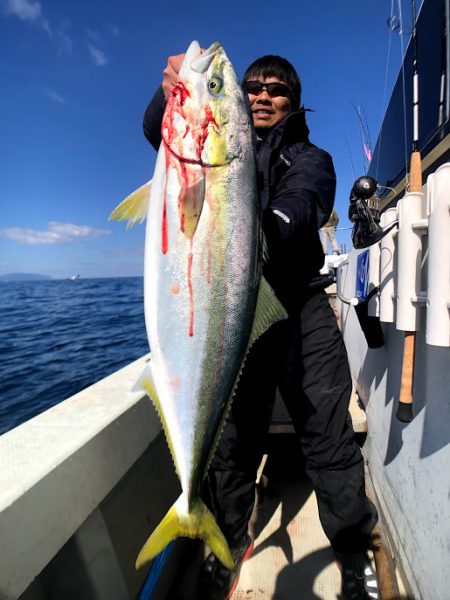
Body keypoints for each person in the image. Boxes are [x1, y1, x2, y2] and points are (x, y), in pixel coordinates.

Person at [143, 51, 379, 600]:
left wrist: (258, 229)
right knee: (233, 445)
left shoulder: (311, 157)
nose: (263, 96)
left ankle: (351, 551)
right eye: (253, 87)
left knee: (330, 438)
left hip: (300, 312)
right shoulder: (214, 144)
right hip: (237, 318)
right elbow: (160, 131)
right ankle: (226, 542)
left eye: (277, 90)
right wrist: (170, 92)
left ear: (293, 103)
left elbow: (303, 203)